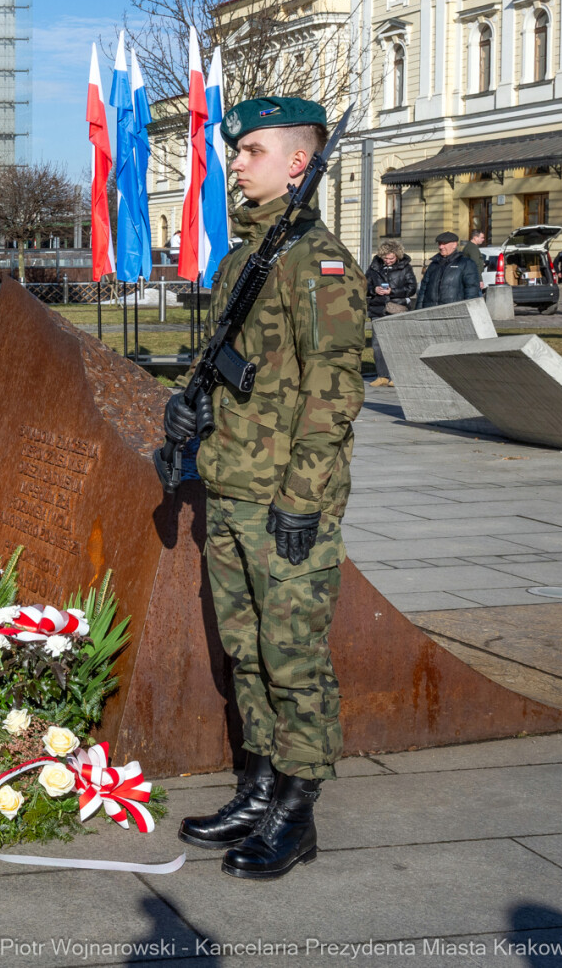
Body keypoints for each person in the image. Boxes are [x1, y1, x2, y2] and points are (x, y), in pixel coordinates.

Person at [165, 96, 365, 881]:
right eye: (236, 150)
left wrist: (302, 499)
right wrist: (188, 405)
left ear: (297, 163)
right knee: (245, 651)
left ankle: (297, 806)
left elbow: (335, 390)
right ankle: (257, 782)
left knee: (293, 658)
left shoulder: (317, 261)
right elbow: (227, 358)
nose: (235, 163)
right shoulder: (247, 253)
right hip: (231, 482)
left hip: (284, 497)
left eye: (250, 150)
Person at [415, 231, 483, 309]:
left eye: (444, 244)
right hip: (430, 311)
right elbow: (423, 290)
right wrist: (418, 311)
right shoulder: (433, 265)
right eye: (439, 244)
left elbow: (472, 291)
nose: (441, 247)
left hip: (454, 312)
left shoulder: (466, 264)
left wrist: (468, 311)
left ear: (454, 244)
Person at [365, 240, 417, 319]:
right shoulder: (374, 267)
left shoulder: (406, 268)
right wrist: (374, 290)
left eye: (391, 258)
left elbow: (412, 288)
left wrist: (392, 291)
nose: (388, 261)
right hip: (377, 311)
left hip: (398, 309)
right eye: (385, 258)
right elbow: (364, 286)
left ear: (397, 256)